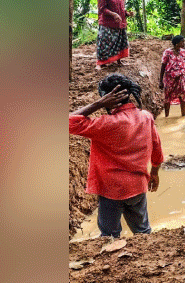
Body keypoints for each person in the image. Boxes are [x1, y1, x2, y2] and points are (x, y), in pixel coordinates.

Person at [69, 74, 163, 238]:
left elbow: (69, 122)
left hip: (111, 189)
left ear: (107, 98)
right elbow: (157, 148)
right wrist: (154, 172)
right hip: (137, 185)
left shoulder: (104, 124)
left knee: (109, 235)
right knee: (143, 232)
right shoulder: (146, 117)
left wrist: (98, 104)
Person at [96, 0, 134, 70]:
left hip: (119, 23)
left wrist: (127, 13)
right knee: (104, 43)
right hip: (107, 23)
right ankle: (102, 63)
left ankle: (118, 60)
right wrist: (113, 14)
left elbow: (121, 9)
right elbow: (102, 9)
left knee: (120, 42)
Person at [159, 35, 185, 118]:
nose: (184, 43)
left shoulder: (184, 52)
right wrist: (161, 81)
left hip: (181, 78)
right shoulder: (167, 52)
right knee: (167, 97)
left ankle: (183, 115)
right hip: (169, 79)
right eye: (182, 42)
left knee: (183, 96)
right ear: (177, 43)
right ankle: (166, 116)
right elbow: (163, 66)